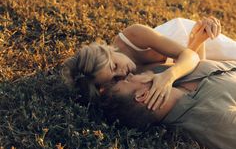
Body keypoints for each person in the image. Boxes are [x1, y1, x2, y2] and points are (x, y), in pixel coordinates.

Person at [61, 16, 222, 109]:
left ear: (108, 50)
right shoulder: (133, 82)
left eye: (115, 66)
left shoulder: (133, 36)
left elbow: (188, 57)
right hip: (194, 51)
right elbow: (199, 69)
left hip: (184, 36)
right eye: (115, 79)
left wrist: (169, 76)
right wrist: (200, 41)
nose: (123, 73)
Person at [100, 59, 236, 149]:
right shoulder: (215, 119)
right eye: (127, 81)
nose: (129, 75)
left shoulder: (165, 75)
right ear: (143, 96)